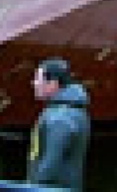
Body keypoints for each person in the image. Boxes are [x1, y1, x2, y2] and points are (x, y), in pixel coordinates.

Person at [27, 57, 90, 191]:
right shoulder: (72, 110)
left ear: (53, 84)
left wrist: (33, 187)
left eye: (38, 79)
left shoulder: (60, 118)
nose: (34, 83)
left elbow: (51, 163)